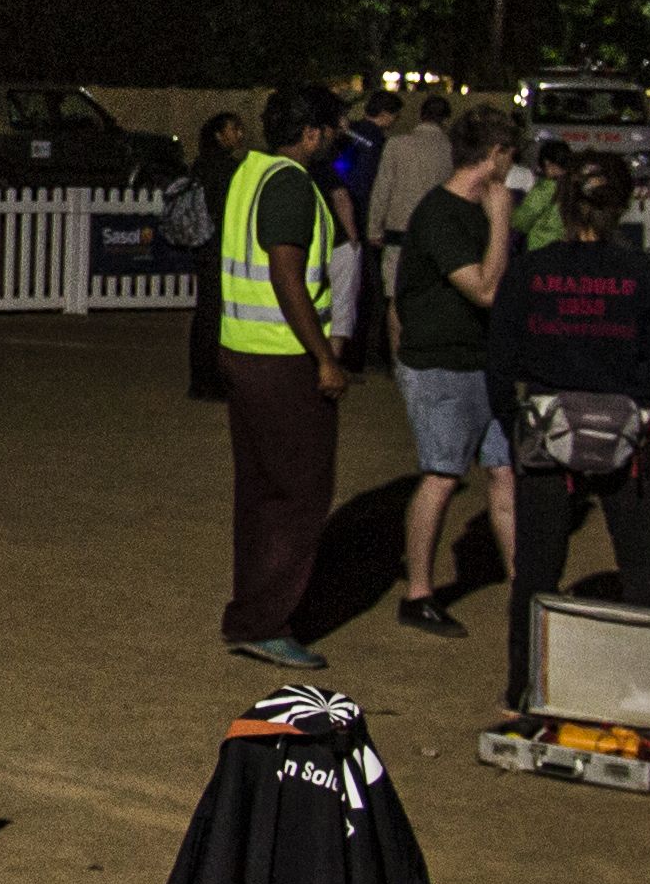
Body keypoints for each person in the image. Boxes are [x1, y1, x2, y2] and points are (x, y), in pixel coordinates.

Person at [491, 150, 650, 700]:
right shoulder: (644, 276)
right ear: (624, 204)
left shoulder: (530, 272)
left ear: (562, 203)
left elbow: (500, 359)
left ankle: (523, 691)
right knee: (644, 565)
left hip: (545, 430)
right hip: (629, 436)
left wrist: (509, 421)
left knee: (537, 570)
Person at [215, 85, 353, 672]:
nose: (339, 137)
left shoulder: (250, 172)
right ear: (312, 133)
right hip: (283, 361)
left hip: (244, 352)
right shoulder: (292, 185)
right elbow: (287, 276)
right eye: (334, 127)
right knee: (298, 496)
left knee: (260, 493)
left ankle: (253, 614)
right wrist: (325, 357)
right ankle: (265, 622)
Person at [390, 106, 522, 639]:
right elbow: (485, 290)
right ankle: (418, 594)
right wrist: (501, 218)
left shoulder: (470, 211)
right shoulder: (441, 214)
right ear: (494, 154)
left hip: (484, 361)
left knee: (504, 472)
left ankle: (523, 587)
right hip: (441, 365)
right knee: (443, 475)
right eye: (510, 155)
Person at [173, 108, 248, 404]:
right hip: (220, 246)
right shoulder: (225, 168)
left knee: (206, 312)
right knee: (215, 315)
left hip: (205, 246)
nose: (239, 134)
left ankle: (202, 379)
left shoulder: (201, 165)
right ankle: (211, 380)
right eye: (234, 129)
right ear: (219, 135)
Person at [363, 88, 462, 301]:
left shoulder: (396, 144)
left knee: (395, 294)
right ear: (446, 119)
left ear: (421, 115)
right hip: (436, 234)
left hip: (398, 232)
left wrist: (374, 228)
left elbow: (383, 188)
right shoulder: (451, 149)